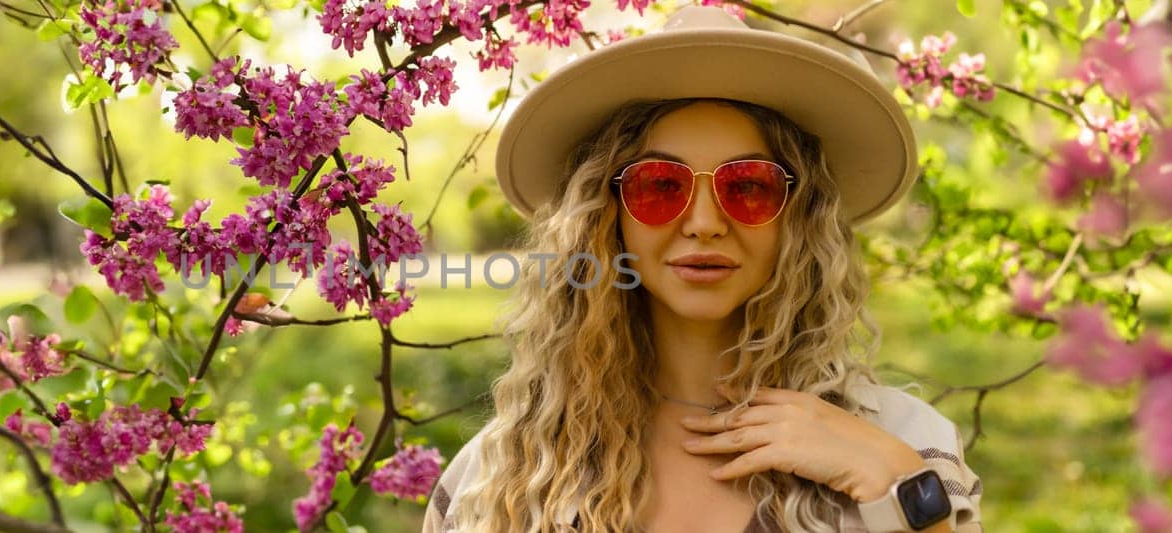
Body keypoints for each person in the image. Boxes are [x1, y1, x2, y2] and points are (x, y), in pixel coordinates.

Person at [420, 4, 984, 532]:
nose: (705, 223)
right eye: (661, 186)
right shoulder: (504, 477)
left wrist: (892, 482)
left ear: (799, 217)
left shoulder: (904, 443)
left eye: (749, 187)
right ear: (605, 216)